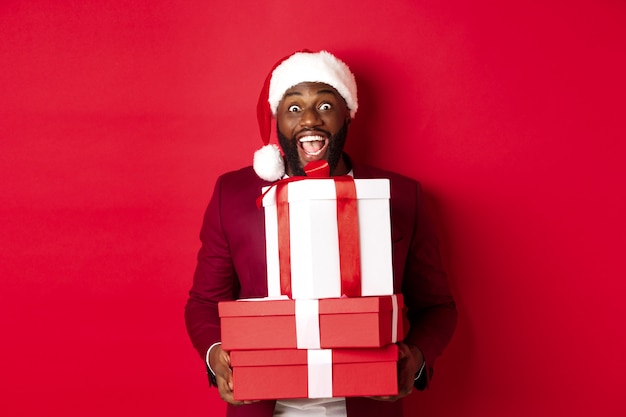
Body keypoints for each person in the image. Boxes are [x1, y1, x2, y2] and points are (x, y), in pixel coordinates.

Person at [185, 50, 457, 417]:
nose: (310, 119)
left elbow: (437, 306)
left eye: (325, 105)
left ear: (347, 114)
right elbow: (204, 302)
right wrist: (216, 353)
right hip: (264, 403)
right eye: (294, 108)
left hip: (367, 404)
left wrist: (417, 358)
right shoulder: (232, 195)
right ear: (276, 119)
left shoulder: (400, 195)